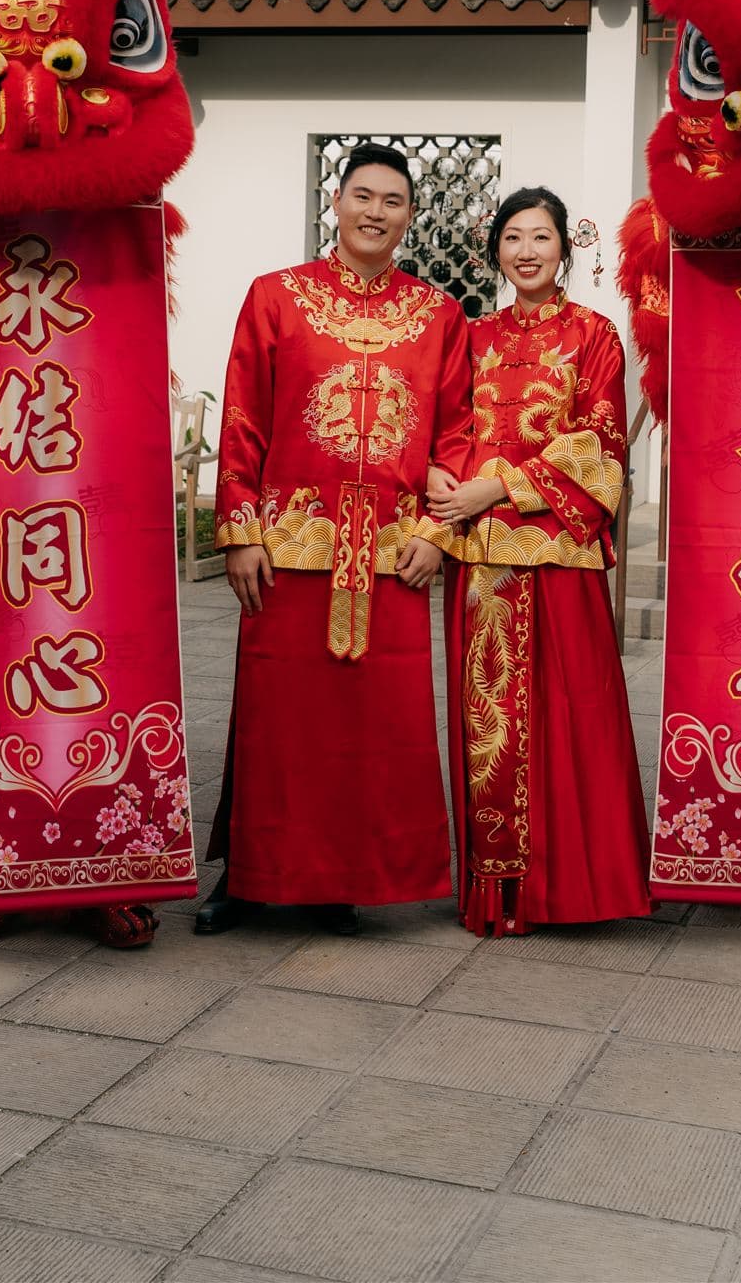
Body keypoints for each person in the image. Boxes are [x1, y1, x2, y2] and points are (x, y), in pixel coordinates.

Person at [197, 143, 472, 936]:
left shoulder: (437, 314)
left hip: (389, 554)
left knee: (371, 733)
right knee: (279, 724)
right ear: (337, 202)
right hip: (291, 548)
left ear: (410, 217)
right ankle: (252, 880)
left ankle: (346, 880)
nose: (375, 212)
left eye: (392, 200)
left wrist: (432, 532)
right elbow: (243, 416)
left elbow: (456, 432)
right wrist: (240, 531)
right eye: (362, 195)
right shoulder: (276, 298)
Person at [429, 186, 652, 935]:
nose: (527, 251)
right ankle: (500, 891)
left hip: (557, 554)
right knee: (490, 723)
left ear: (565, 249)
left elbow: (600, 446)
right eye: (513, 238)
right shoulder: (466, 335)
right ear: (494, 249)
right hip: (480, 555)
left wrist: (499, 484)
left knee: (570, 717)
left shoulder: (594, 335)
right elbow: (441, 426)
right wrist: (440, 480)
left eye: (542, 238)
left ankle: (579, 890)